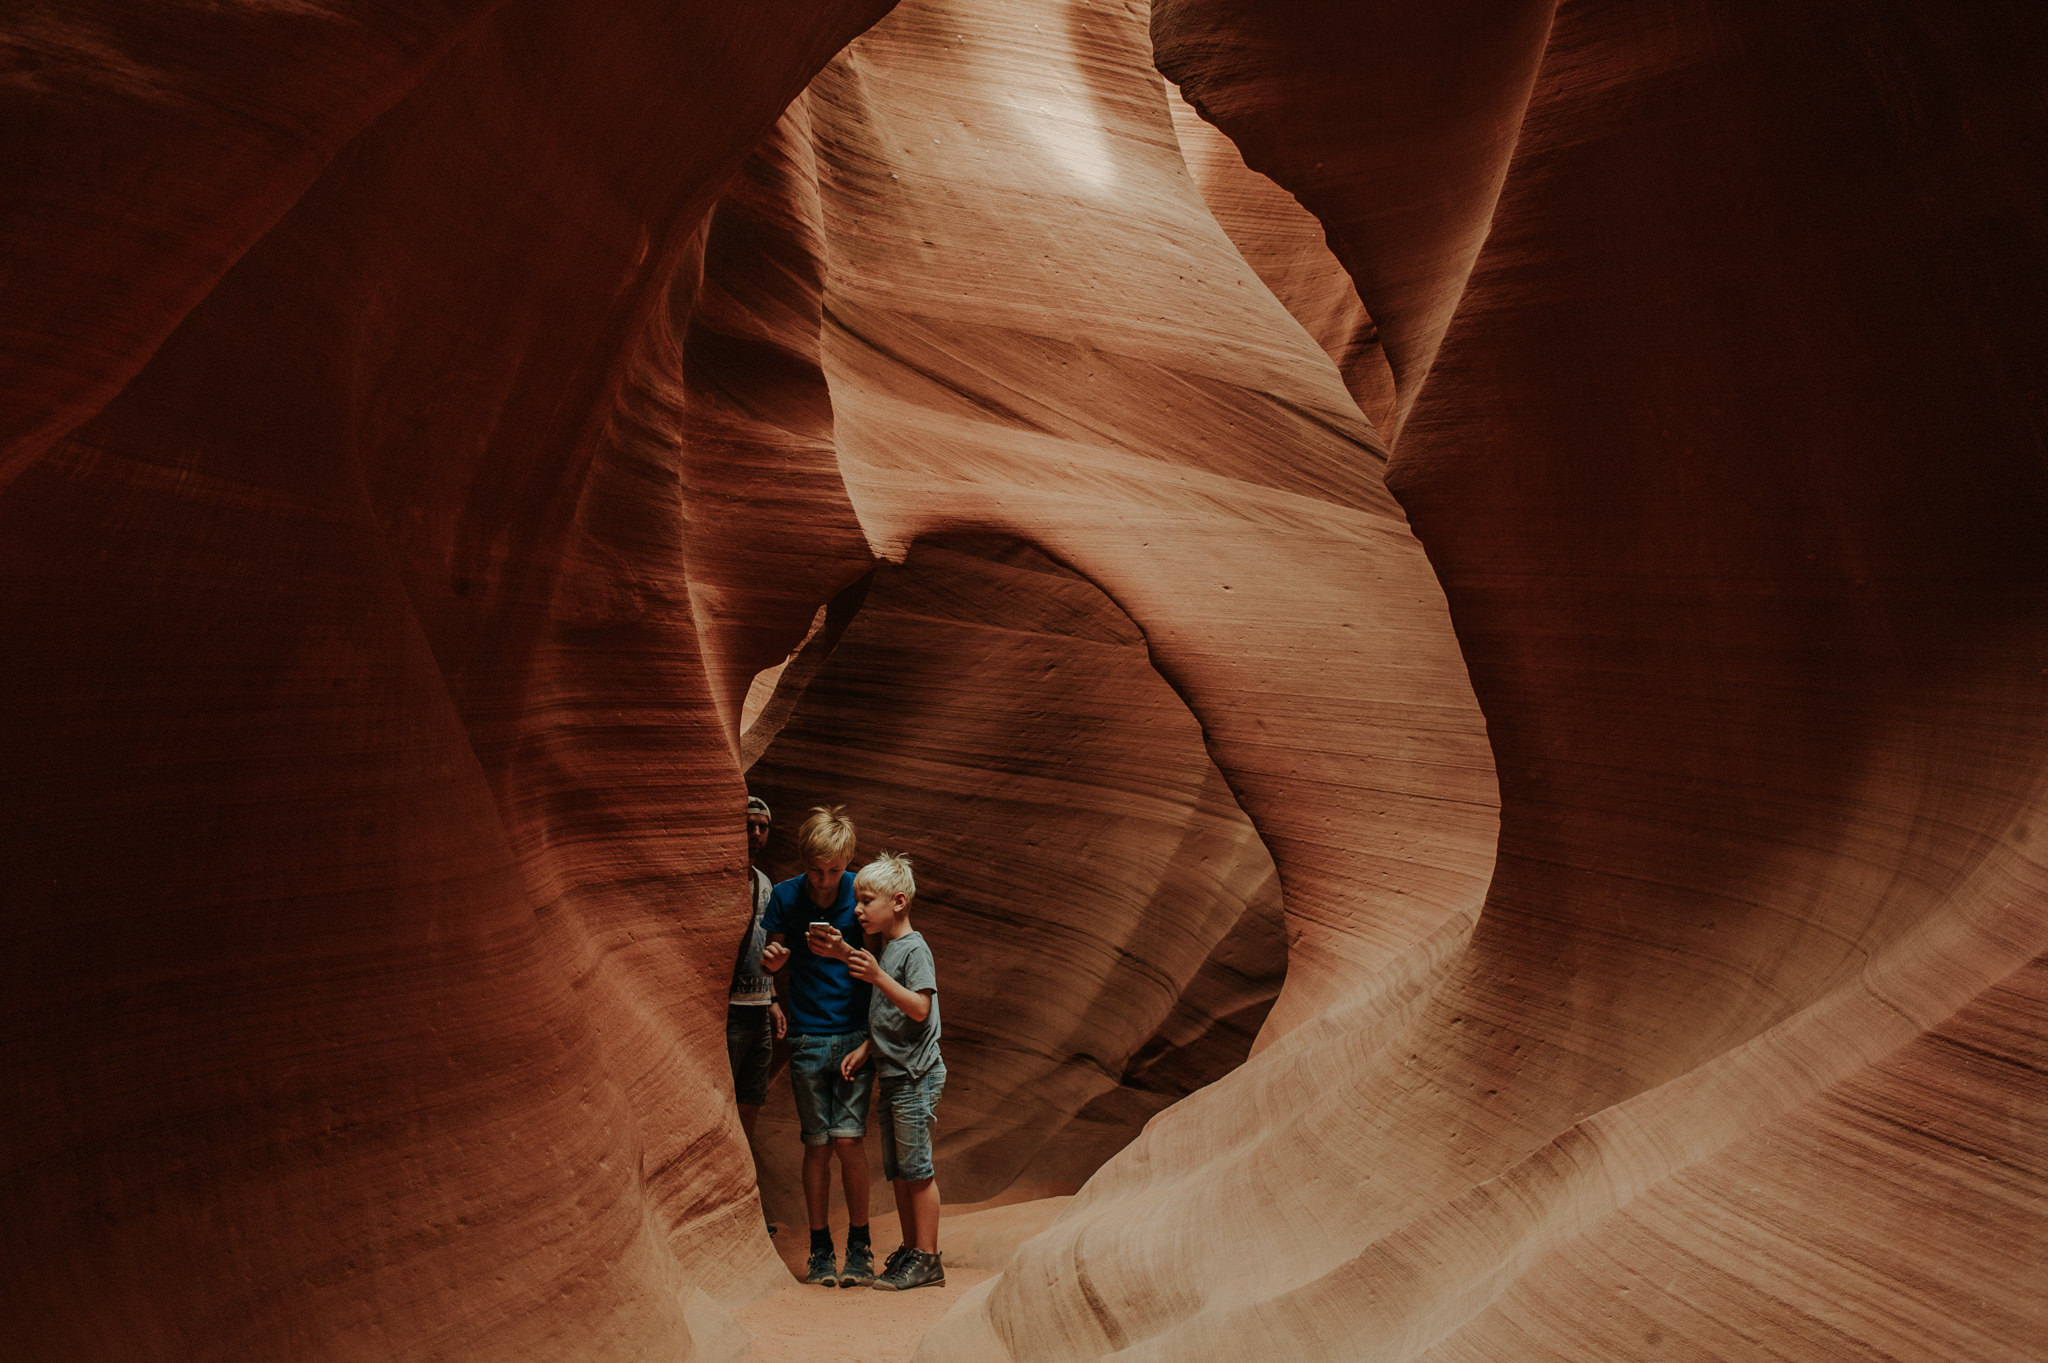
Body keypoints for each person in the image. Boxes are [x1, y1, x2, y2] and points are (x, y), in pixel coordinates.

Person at [759, 805, 875, 1287]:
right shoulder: (785, 897)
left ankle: (861, 1247)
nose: (826, 882)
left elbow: (885, 964)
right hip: (807, 1035)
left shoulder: (862, 896)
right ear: (803, 862)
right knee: (817, 1144)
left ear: (848, 860)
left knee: (849, 1141)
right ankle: (820, 1247)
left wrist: (871, 1038)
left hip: (853, 1037)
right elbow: (767, 964)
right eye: (816, 870)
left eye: (835, 870)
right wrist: (772, 964)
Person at [832, 851, 946, 1291]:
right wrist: (866, 1050)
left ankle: (928, 1258)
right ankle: (912, 1248)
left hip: (916, 1077)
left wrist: (879, 976)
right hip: (895, 1075)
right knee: (900, 1170)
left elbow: (919, 1008)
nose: (857, 910)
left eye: (866, 901)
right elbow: (890, 1017)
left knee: (917, 1170)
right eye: (857, 901)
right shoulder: (890, 948)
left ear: (897, 902)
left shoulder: (913, 949)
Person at [727, 795, 785, 1143]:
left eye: (763, 827)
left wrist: (773, 998)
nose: (757, 833)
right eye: (749, 826)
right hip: (730, 1010)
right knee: (726, 1097)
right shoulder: (724, 880)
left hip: (760, 1009)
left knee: (751, 1098)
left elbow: (766, 947)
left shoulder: (767, 884)